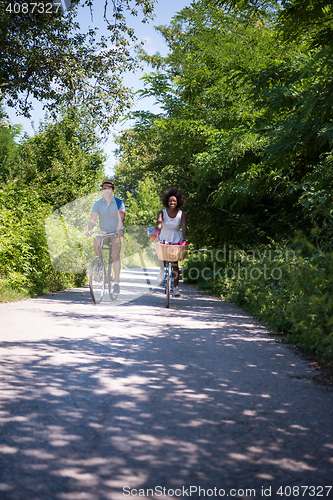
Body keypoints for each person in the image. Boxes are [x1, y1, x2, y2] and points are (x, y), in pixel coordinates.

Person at [86, 179, 126, 295]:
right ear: (102, 190)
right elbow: (92, 219)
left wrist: (118, 230)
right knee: (96, 240)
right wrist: (89, 229)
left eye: (109, 188)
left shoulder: (119, 202)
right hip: (104, 232)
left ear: (113, 190)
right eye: (104, 188)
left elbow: (121, 218)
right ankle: (99, 263)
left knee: (115, 254)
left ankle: (117, 283)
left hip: (116, 232)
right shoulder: (98, 203)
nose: (106, 190)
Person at [156, 187, 187, 297]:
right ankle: (161, 271)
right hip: (164, 236)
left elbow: (183, 226)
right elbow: (159, 224)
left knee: (175, 264)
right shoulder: (162, 212)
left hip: (176, 238)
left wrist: (184, 238)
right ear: (167, 202)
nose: (172, 202)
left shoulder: (181, 214)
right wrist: (157, 234)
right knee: (161, 255)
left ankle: (176, 288)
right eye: (170, 201)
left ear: (178, 202)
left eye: (174, 201)